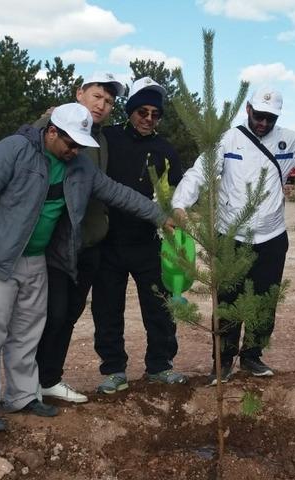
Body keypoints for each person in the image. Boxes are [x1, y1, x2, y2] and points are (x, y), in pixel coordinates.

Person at [0, 103, 171, 432]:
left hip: (37, 259)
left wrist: (161, 216)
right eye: (70, 144)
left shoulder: (80, 169)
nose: (75, 152)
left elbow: (118, 194)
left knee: (27, 335)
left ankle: (22, 396)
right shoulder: (14, 150)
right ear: (52, 132)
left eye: (80, 146)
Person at [172, 86, 295, 383]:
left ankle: (252, 357)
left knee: (264, 301)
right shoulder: (227, 139)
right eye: (258, 116)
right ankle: (222, 362)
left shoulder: (292, 141)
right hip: (230, 235)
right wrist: (180, 203)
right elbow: (199, 172)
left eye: (270, 118)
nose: (263, 123)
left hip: (271, 237)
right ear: (248, 109)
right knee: (228, 302)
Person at [33, 72, 126, 405]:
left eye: (110, 101)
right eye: (97, 96)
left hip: (90, 244)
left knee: (69, 314)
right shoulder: (52, 129)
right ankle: (29, 382)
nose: (102, 105)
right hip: (59, 245)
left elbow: (110, 191)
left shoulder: (99, 139)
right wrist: (47, 116)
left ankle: (49, 379)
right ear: (80, 94)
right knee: (51, 314)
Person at [91, 77, 186, 394]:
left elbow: (182, 191)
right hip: (109, 242)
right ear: (130, 111)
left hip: (148, 241)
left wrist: (180, 210)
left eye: (155, 114)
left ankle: (160, 366)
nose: (148, 118)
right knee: (107, 309)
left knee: (159, 307)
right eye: (142, 111)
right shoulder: (108, 139)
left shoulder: (165, 150)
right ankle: (114, 369)